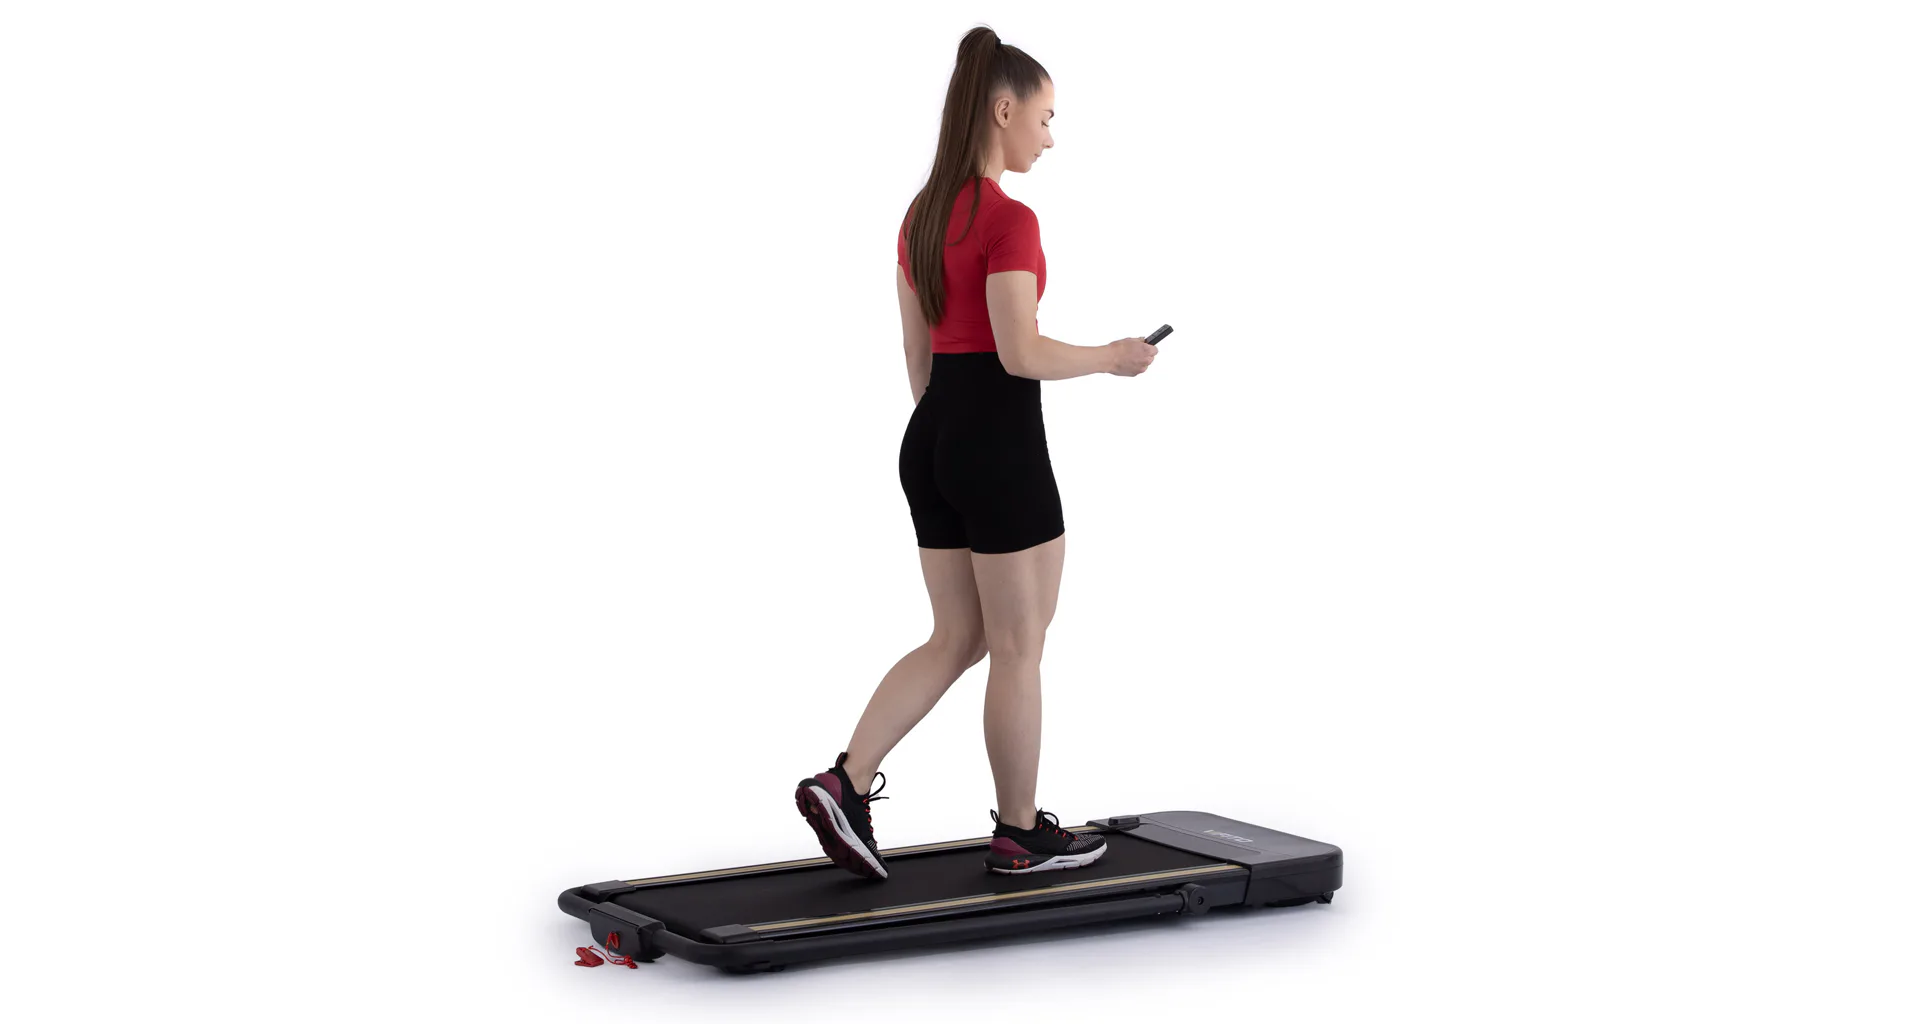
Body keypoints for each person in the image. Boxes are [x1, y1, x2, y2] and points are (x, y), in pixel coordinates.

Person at [795, 26, 1158, 880]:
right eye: (1045, 116)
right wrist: (1112, 356)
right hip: (997, 439)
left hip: (931, 437)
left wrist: (951, 439)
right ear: (1003, 110)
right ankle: (1021, 834)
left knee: (959, 634)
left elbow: (918, 358)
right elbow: (1018, 352)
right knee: (1019, 645)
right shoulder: (1009, 220)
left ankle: (845, 780)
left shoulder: (920, 216)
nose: (1050, 136)